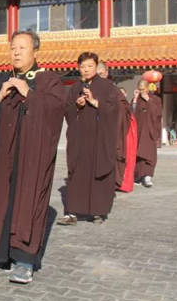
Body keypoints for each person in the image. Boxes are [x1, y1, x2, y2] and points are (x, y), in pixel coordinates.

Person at [0, 31, 65, 284]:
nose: (16, 53)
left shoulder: (48, 80)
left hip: (31, 157)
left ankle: (24, 260)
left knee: (29, 201)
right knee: (2, 199)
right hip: (4, 156)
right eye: (13, 48)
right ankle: (0, 252)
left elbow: (57, 109)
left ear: (36, 51)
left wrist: (29, 94)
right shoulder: (2, 79)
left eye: (22, 48)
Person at [58, 52, 120, 225]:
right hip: (79, 139)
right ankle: (72, 212)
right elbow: (67, 111)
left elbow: (115, 111)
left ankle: (98, 211)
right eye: (82, 67)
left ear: (96, 66)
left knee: (98, 172)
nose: (85, 70)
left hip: (100, 139)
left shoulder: (108, 87)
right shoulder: (74, 87)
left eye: (89, 66)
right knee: (76, 172)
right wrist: (76, 106)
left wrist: (95, 102)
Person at [97, 62, 137, 193]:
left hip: (113, 129)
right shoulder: (90, 88)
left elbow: (121, 109)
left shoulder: (113, 90)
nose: (98, 77)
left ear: (107, 73)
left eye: (101, 74)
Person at [133, 79, 162, 187]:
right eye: (140, 89)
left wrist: (148, 100)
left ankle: (148, 176)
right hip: (139, 131)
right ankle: (138, 176)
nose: (142, 91)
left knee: (148, 154)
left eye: (143, 89)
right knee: (138, 155)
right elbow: (131, 114)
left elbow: (158, 114)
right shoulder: (137, 99)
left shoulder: (155, 99)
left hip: (149, 131)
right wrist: (135, 100)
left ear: (148, 88)